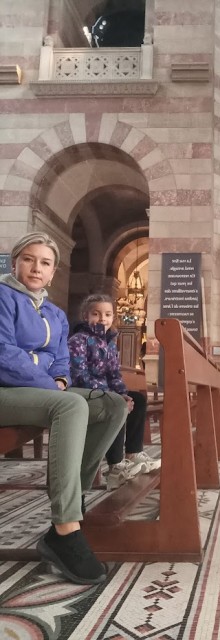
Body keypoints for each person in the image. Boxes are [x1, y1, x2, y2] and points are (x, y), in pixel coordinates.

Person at [0, 232, 128, 585]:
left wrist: (57, 381)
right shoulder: (2, 295)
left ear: (54, 272)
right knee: (71, 406)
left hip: (40, 392)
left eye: (45, 262)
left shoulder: (55, 314)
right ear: (15, 262)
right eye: (29, 259)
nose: (36, 268)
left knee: (113, 405)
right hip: (5, 392)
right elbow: (4, 354)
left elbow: (60, 360)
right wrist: (53, 386)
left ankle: (75, 499)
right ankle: (65, 530)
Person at [68, 294, 161, 491]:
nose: (102, 319)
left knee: (137, 399)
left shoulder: (109, 342)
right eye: (96, 313)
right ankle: (115, 467)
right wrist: (113, 394)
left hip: (105, 392)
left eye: (108, 314)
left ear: (113, 317)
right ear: (85, 316)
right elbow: (79, 375)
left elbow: (114, 373)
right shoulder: (78, 340)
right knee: (116, 405)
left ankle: (133, 454)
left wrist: (123, 392)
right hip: (83, 392)